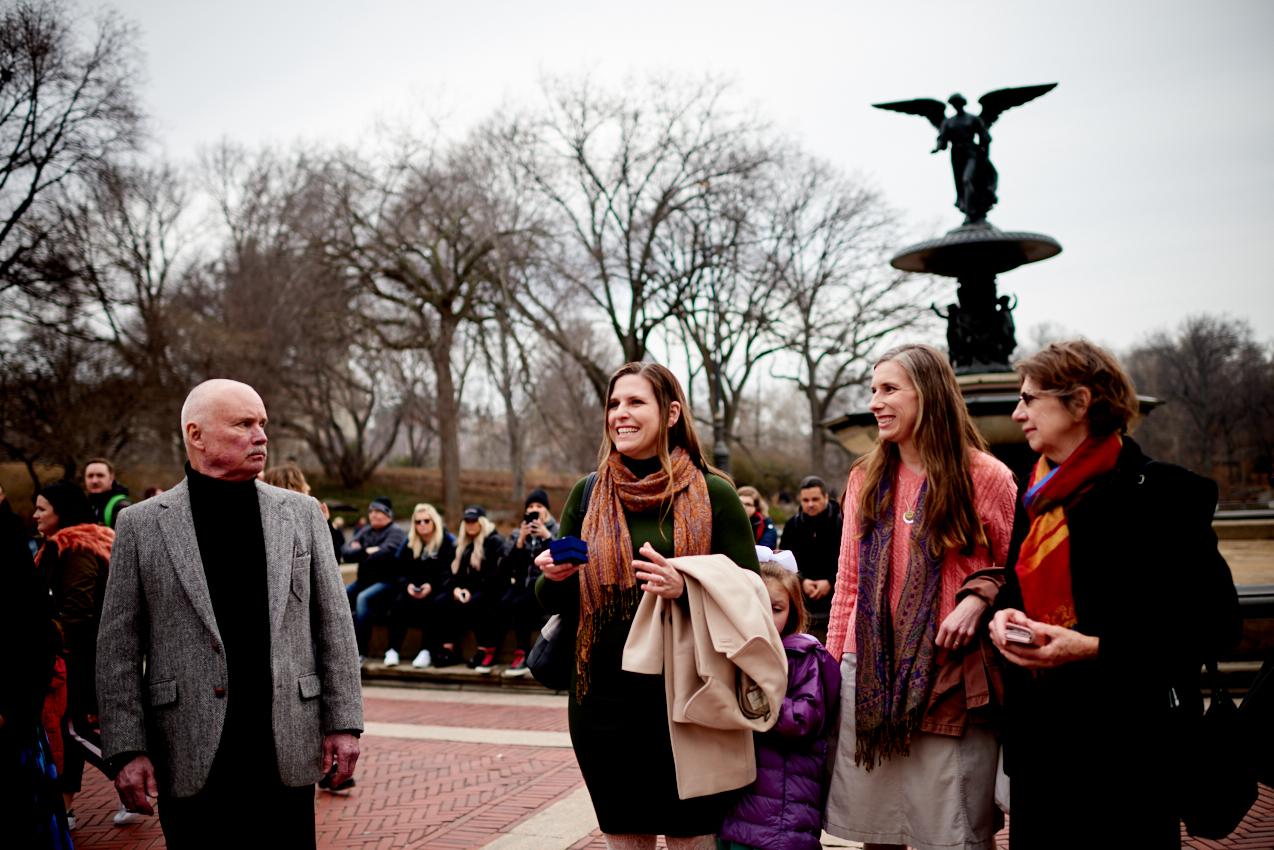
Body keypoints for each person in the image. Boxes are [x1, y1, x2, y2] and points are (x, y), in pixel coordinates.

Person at [987, 340, 1240, 848]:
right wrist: (1001, 614)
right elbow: (1013, 583)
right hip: (1043, 750)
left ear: (1080, 403)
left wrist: (1093, 647)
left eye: (1030, 399)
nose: (1017, 414)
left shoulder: (1165, 495)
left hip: (1131, 751)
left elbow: (1217, 624)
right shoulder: (1036, 496)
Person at [96, 378, 362, 848]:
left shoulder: (300, 515)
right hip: (188, 748)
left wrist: (344, 723)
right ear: (196, 435)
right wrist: (126, 749)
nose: (260, 435)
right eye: (243, 424)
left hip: (284, 744)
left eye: (262, 424)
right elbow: (117, 649)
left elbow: (335, 627)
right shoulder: (141, 524)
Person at [534, 362, 760, 850]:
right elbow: (552, 603)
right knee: (625, 836)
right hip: (603, 702)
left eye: (636, 402)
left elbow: (753, 595)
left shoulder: (714, 493)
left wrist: (689, 584)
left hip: (688, 701)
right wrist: (555, 577)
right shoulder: (588, 492)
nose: (621, 414)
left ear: (672, 412)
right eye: (614, 404)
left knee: (689, 839)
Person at [823, 344, 1017, 850]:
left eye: (889, 389)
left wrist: (977, 601)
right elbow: (848, 584)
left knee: (954, 833)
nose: (876, 402)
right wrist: (832, 668)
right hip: (871, 678)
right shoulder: (865, 479)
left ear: (928, 395)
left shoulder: (986, 477)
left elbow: (1016, 573)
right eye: (873, 390)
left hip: (952, 680)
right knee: (879, 830)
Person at [719, 552, 841, 850]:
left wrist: (752, 696)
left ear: (793, 610)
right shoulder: (732, 652)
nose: (766, 617)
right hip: (738, 803)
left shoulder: (803, 656)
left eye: (776, 608)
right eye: (757, 606)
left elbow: (802, 720)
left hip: (783, 812)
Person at [33, 480, 115, 829]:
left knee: (74, 729)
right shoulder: (91, 540)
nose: (34, 515)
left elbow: (78, 609)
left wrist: (49, 638)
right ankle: (65, 808)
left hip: (77, 655)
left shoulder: (74, 547)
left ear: (60, 512)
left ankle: (137, 779)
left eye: (41, 509)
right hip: (86, 651)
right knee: (71, 731)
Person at [382, 502, 456, 668]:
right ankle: (393, 649)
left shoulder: (446, 542)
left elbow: (448, 572)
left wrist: (431, 586)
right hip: (413, 588)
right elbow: (399, 569)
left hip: (435, 589)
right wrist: (407, 585)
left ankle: (426, 651)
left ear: (434, 522)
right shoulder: (410, 543)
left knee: (434, 605)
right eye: (418, 522)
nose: (422, 525)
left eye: (426, 521)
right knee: (397, 603)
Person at [495, 488, 559, 677]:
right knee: (503, 602)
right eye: (530, 506)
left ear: (547, 510)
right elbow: (506, 565)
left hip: (545, 586)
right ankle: (491, 651)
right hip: (521, 585)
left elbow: (560, 558)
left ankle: (522, 654)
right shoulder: (518, 533)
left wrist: (546, 536)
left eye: (539, 506)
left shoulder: (556, 529)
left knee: (520, 604)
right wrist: (521, 541)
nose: (535, 509)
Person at [435, 506, 505, 672]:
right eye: (467, 521)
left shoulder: (493, 541)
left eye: (474, 521)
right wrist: (455, 589)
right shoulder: (460, 544)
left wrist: (469, 591)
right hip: (462, 590)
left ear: (482, 522)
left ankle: (484, 649)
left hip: (487, 590)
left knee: (477, 603)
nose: (470, 524)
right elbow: (449, 573)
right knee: (441, 601)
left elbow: (494, 575)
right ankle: (449, 648)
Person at [343, 496, 408, 659]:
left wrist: (361, 551)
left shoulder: (396, 532)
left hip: (387, 582)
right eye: (371, 511)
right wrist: (367, 551)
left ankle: (361, 652)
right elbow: (346, 552)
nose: (373, 515)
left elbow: (384, 554)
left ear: (388, 514)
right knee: (338, 596)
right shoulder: (366, 531)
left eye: (378, 511)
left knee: (363, 599)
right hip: (363, 581)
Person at [779, 475, 842, 638]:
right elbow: (784, 562)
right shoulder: (792, 525)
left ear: (826, 497)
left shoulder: (841, 522)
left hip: (835, 600)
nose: (810, 504)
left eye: (815, 499)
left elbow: (849, 560)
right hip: (803, 600)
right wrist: (802, 581)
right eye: (805, 500)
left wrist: (830, 581)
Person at [262, 463, 343, 564]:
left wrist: (326, 523)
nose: (308, 487)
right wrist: (324, 524)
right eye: (301, 482)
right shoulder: (304, 524)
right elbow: (333, 560)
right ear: (291, 488)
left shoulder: (267, 524)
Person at [84, 458, 131, 529]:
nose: (94, 481)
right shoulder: (83, 504)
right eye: (90, 476)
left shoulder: (122, 507)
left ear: (111, 479)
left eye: (100, 475)